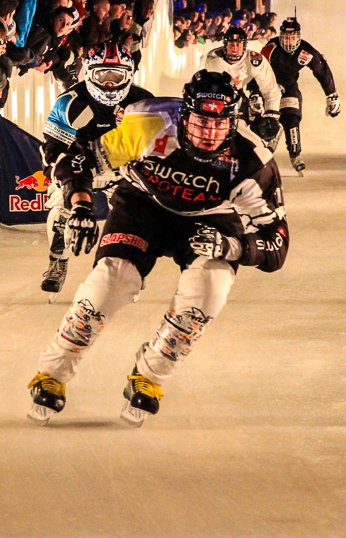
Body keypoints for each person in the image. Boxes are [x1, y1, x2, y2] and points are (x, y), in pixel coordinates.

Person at [27, 70, 289, 426]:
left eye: (219, 124)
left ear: (235, 122)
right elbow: (79, 160)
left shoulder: (253, 161)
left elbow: (277, 243)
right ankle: (52, 373)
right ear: (183, 116)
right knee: (110, 282)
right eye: (200, 122)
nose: (209, 134)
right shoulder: (149, 123)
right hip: (143, 205)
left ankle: (151, 376)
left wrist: (232, 248)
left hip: (211, 219)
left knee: (207, 292)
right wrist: (82, 205)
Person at [38, 42, 153, 299]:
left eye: (117, 76)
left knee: (135, 215)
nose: (110, 84)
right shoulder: (69, 103)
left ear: (130, 75)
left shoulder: (144, 102)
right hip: (79, 167)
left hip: (123, 168)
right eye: (103, 75)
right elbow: (54, 150)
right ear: (89, 73)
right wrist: (64, 180)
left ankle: (128, 266)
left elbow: (156, 147)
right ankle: (58, 261)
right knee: (61, 213)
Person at [261, 17, 338, 174]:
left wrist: (332, 95)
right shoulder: (270, 48)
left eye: (293, 37)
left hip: (289, 87)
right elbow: (257, 71)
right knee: (264, 122)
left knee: (292, 118)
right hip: (269, 89)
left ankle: (295, 154)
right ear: (280, 36)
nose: (289, 42)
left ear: (299, 37)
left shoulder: (306, 51)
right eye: (285, 37)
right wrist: (255, 94)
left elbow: (322, 71)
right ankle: (264, 150)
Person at [199, 26, 280, 141]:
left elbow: (270, 90)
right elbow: (200, 85)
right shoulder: (212, 60)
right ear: (225, 45)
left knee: (245, 129)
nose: (235, 49)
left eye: (239, 45)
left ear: (245, 46)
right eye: (232, 44)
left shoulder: (255, 60)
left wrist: (271, 114)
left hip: (242, 94)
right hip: (216, 97)